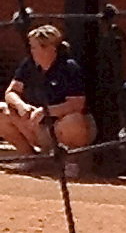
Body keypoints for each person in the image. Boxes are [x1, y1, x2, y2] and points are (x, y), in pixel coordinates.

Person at [0, 25, 96, 171]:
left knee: (74, 120)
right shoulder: (29, 64)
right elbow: (11, 92)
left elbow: (77, 104)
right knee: (2, 111)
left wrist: (46, 111)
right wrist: (21, 106)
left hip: (61, 127)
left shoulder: (69, 67)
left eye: (34, 47)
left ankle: (71, 162)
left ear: (50, 48)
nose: (31, 51)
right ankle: (30, 158)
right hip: (37, 125)